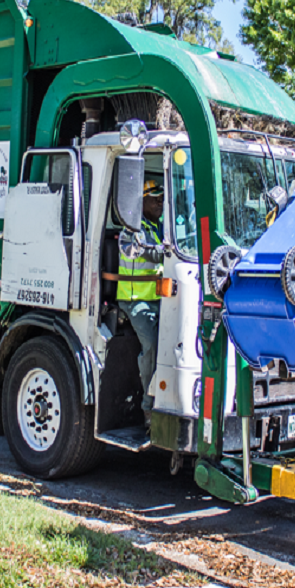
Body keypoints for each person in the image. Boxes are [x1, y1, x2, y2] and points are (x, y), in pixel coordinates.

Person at [117, 177, 166, 427]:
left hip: (159, 300)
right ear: (142, 201)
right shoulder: (132, 230)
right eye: (154, 196)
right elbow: (142, 251)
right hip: (135, 301)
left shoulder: (161, 228)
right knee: (154, 346)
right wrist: (167, 251)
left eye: (161, 196)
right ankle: (148, 408)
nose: (160, 200)